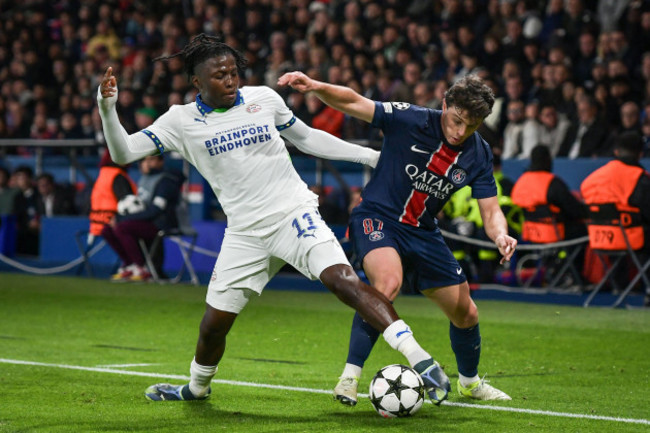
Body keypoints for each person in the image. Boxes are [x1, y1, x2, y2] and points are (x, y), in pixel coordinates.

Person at [97, 34, 450, 404]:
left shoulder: (263, 99)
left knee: (342, 279)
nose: (231, 81)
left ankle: (420, 360)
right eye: (220, 76)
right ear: (197, 82)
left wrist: (371, 157)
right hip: (245, 233)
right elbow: (123, 152)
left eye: (234, 72)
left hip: (293, 214)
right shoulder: (180, 121)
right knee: (213, 327)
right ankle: (195, 389)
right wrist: (108, 109)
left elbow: (308, 138)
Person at [278, 71, 517, 405]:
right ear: (445, 104)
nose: (461, 131)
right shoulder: (411, 119)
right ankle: (350, 376)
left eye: (472, 125)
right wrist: (317, 87)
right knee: (387, 285)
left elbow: (490, 210)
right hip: (377, 217)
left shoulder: (478, 153)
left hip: (423, 230)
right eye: (457, 120)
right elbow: (353, 101)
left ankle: (470, 383)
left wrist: (501, 234)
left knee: (467, 313)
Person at [580, 131, 650, 306]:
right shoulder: (638, 178)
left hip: (599, 238)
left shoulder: (593, 177)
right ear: (640, 153)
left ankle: (620, 286)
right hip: (631, 239)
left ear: (616, 151)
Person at [102, 154, 184, 282]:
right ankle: (130, 264)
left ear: (161, 162)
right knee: (107, 229)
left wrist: (123, 218)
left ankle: (140, 267)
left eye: (151, 159)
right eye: (143, 160)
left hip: (161, 223)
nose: (145, 163)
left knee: (123, 227)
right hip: (145, 221)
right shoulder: (144, 179)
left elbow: (156, 210)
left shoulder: (166, 181)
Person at [512, 145, 588, 244]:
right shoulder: (552, 182)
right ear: (548, 160)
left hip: (529, 234)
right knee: (584, 230)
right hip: (554, 234)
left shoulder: (521, 181)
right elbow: (574, 211)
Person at [88, 150, 137, 242]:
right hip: (113, 227)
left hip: (96, 226)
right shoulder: (118, 176)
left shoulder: (102, 174)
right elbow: (128, 204)